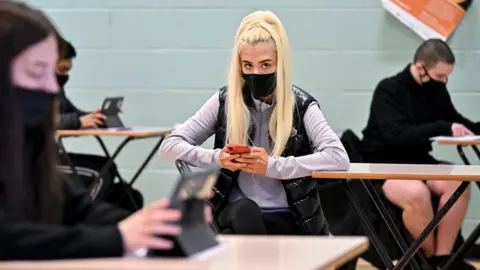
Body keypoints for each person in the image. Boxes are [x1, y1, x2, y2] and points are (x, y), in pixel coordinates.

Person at [0, 1, 210, 260]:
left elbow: (76, 209)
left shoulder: (28, 148)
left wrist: (154, 227)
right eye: (36, 73)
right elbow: (10, 237)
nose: (53, 89)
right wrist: (118, 238)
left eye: (53, 73)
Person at [160, 10, 350, 236]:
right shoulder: (225, 101)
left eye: (265, 65)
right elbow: (169, 145)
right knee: (245, 213)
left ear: (280, 64)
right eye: (248, 66)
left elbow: (339, 158)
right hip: (238, 213)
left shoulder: (301, 105)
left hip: (289, 216)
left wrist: (272, 166)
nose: (256, 73)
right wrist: (218, 158)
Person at [361, 38, 477, 269]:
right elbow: (396, 134)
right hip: (385, 165)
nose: (444, 82)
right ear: (421, 67)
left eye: (447, 76)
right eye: (440, 76)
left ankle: (444, 259)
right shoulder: (389, 89)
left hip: (419, 161)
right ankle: (427, 257)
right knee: (416, 193)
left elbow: (455, 121)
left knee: (460, 183)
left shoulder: (436, 91)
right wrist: (442, 127)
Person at [56, 37, 105, 129]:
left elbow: (69, 111)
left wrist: (95, 117)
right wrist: (78, 122)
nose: (65, 75)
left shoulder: (57, 88)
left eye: (68, 70)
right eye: (62, 69)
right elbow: (36, 122)